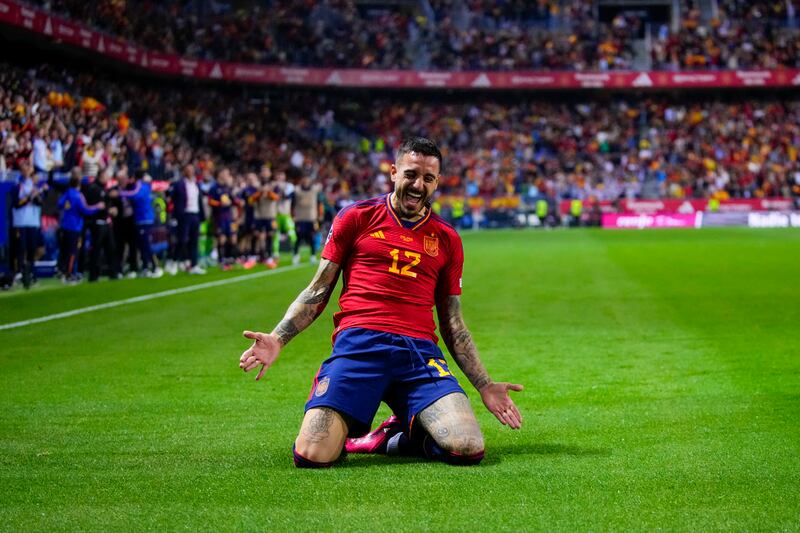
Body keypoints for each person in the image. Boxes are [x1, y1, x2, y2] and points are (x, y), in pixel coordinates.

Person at [239, 137, 523, 468]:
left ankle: (397, 435)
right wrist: (277, 338)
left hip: (418, 354)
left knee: (467, 447)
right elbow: (318, 291)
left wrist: (485, 384)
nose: (418, 185)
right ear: (393, 172)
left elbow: (453, 323)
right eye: (411, 174)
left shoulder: (447, 239)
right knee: (312, 455)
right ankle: (354, 427)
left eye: (428, 178)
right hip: (359, 345)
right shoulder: (357, 217)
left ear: (437, 183)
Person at [58, 170, 104, 283]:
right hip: (75, 226)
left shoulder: (67, 193)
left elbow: (60, 204)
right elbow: (86, 210)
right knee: (74, 252)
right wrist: (98, 206)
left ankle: (63, 272)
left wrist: (68, 207)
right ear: (78, 184)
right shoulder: (78, 196)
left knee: (65, 251)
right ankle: (71, 274)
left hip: (65, 225)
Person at [119, 170, 162, 278]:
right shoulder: (146, 185)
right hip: (144, 218)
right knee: (143, 245)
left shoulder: (139, 186)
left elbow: (135, 195)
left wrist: (120, 193)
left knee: (146, 245)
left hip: (143, 218)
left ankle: (153, 267)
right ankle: (147, 267)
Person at [83, 168, 120, 281]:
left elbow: (106, 204)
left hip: (106, 222)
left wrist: (112, 209)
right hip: (97, 223)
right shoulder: (94, 189)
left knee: (111, 248)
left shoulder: (104, 189)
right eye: (106, 176)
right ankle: (94, 275)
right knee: (97, 250)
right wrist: (107, 210)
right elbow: (96, 206)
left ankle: (113, 272)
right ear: (100, 176)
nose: (107, 178)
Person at [169, 163, 206, 275]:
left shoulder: (196, 184)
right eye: (188, 170)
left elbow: (199, 201)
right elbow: (173, 199)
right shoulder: (179, 184)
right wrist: (175, 215)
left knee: (194, 241)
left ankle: (194, 265)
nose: (190, 171)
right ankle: (174, 262)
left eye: (192, 169)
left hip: (195, 214)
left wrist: (202, 216)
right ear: (184, 172)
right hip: (184, 214)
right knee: (182, 239)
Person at [11, 161, 43, 289]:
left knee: (32, 248)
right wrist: (30, 197)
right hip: (21, 222)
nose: (28, 171)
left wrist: (36, 196)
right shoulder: (18, 185)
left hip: (33, 222)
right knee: (21, 248)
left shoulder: (35, 186)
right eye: (25, 168)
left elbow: (39, 202)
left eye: (29, 168)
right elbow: (16, 204)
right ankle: (19, 273)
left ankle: (30, 273)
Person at [291, 173, 323, 265]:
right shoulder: (296, 190)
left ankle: (312, 256)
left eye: (307, 179)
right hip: (300, 218)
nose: (305, 181)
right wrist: (292, 216)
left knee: (311, 237)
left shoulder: (315, 191)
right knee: (298, 237)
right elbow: (292, 204)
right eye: (304, 179)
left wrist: (320, 215)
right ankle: (296, 256)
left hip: (311, 218)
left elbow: (319, 203)